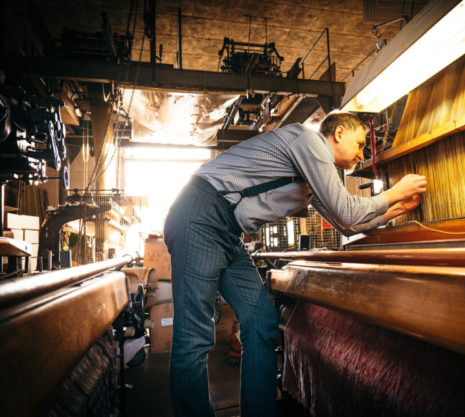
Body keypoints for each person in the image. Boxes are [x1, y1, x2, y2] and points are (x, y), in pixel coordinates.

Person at [163, 112, 427, 417]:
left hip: (226, 230)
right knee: (194, 336)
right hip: (201, 214)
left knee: (261, 320)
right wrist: (395, 191)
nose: (361, 153)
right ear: (338, 133)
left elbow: (347, 225)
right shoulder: (309, 141)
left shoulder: (313, 178)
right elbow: (347, 210)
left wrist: (395, 210)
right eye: (359, 143)